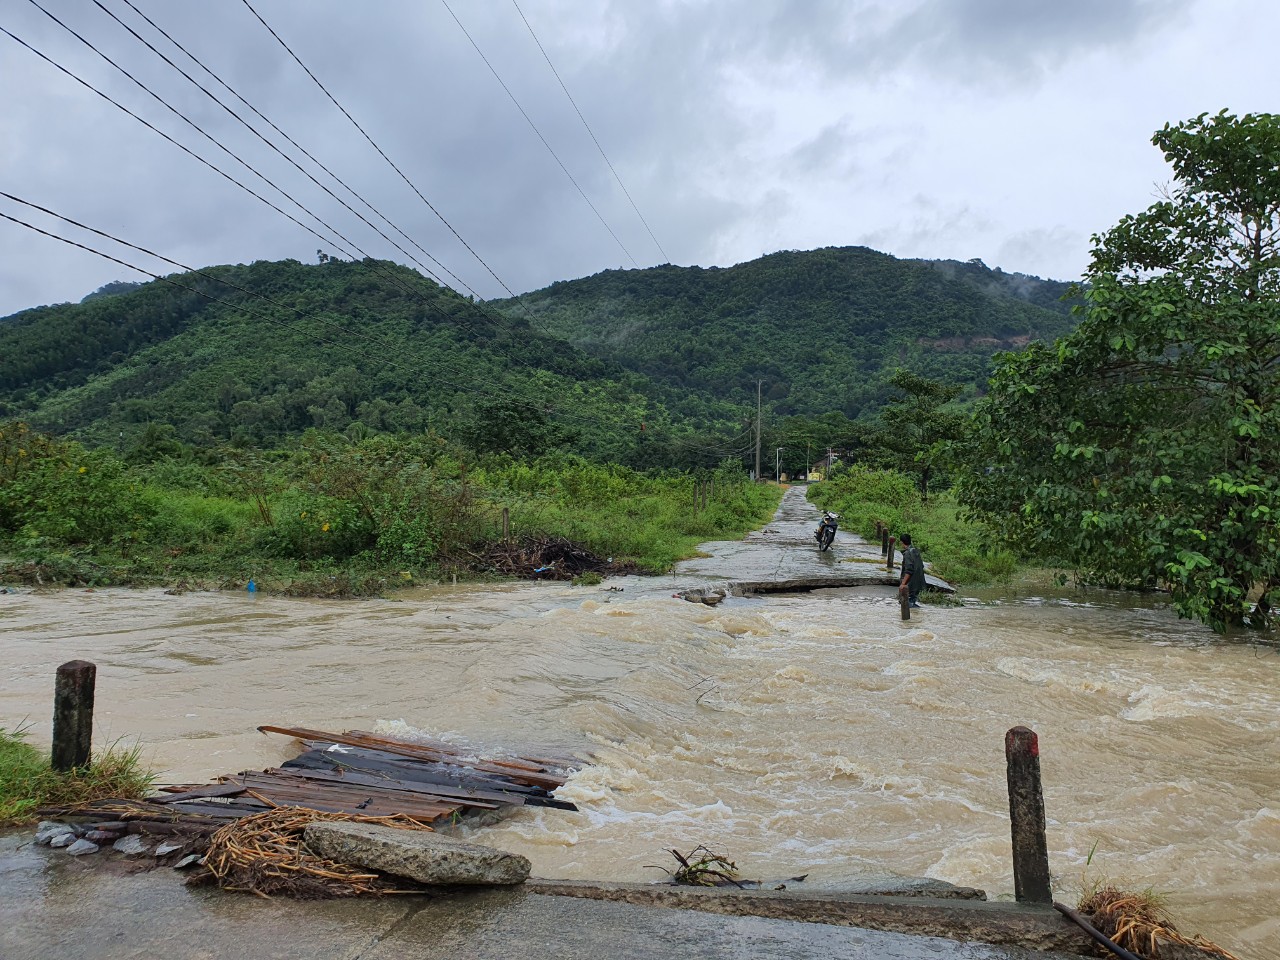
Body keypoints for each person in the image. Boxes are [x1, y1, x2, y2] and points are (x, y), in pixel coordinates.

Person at [898, 533, 925, 608]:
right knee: (912, 603)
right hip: (918, 583)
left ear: (902, 542)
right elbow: (921, 566)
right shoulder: (916, 551)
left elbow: (909, 570)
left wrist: (903, 584)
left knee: (906, 604)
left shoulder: (907, 554)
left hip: (911, 584)